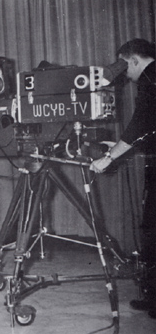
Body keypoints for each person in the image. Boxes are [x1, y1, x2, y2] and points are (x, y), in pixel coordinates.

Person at [90, 38, 156, 319]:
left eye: (123, 65)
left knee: (153, 227)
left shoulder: (150, 79)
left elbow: (142, 123)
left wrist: (110, 157)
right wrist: (118, 147)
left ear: (133, 61)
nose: (124, 74)